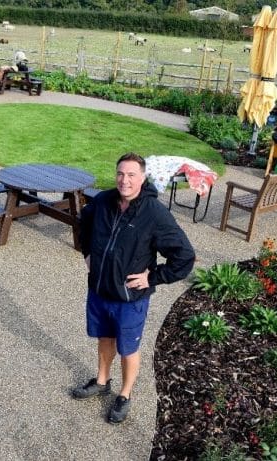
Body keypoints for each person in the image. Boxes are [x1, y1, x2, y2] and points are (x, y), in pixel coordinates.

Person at [75, 153, 195, 424]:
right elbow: (84, 220)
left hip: (130, 299)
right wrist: (87, 253)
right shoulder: (104, 200)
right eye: (120, 173)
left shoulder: (154, 213)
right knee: (104, 339)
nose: (124, 180)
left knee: (128, 348)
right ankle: (102, 380)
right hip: (99, 290)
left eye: (131, 175)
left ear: (142, 177)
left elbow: (184, 256)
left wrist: (153, 277)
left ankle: (125, 394)